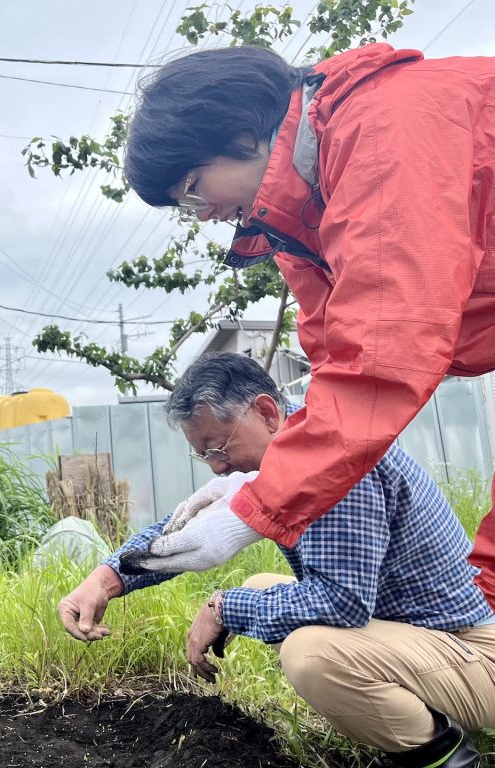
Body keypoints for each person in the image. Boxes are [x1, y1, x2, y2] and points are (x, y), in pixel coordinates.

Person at [119, 43, 495, 601]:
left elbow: (379, 359)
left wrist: (255, 509)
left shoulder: (383, 131)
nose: (204, 215)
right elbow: (333, 371)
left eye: (193, 189)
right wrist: (256, 485)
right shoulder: (298, 224)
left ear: (242, 134)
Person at [58, 353, 495, 768]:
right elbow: (188, 531)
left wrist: (225, 608)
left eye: (219, 448)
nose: (215, 467)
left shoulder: (336, 458)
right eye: (203, 454)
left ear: (266, 413)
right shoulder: (293, 449)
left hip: (468, 648)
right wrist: (104, 579)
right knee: (259, 585)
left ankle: (440, 753)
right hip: (410, 636)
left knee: (313, 654)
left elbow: (341, 603)